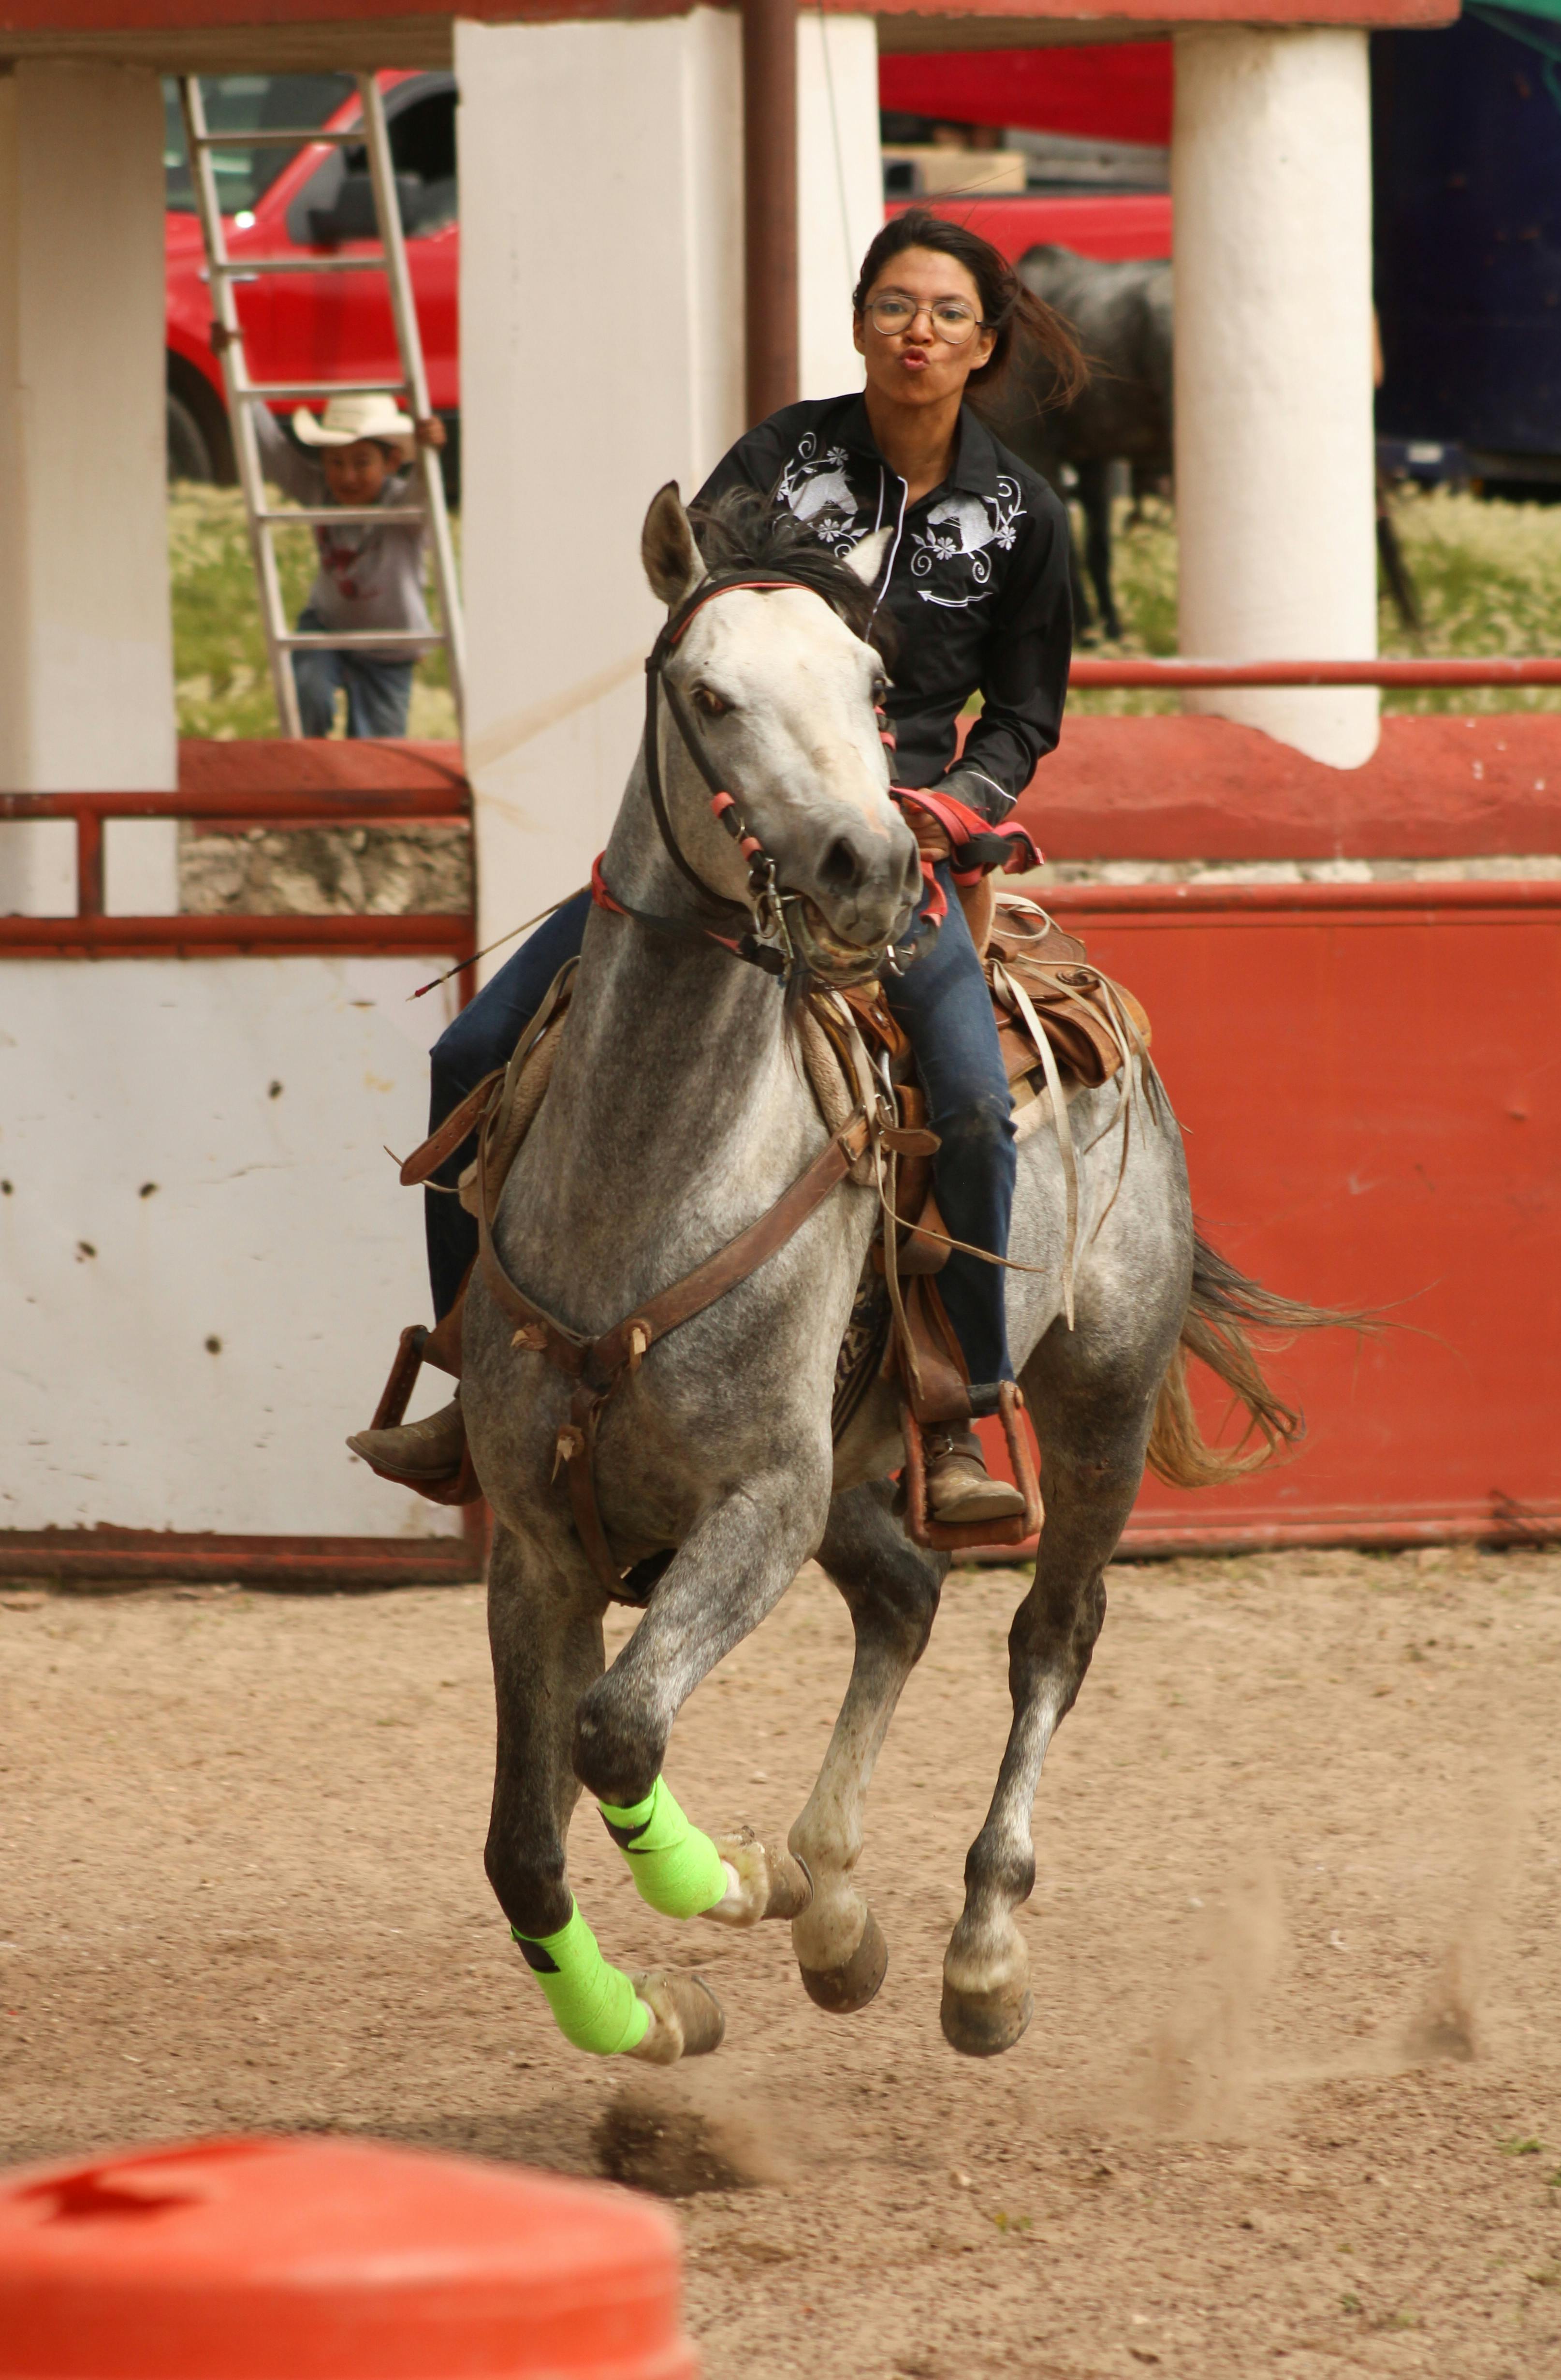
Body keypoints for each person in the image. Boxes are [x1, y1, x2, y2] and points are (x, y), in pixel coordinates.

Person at [352, 207, 1081, 1524]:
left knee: (971, 1106)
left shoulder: (1024, 514)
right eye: (895, 305)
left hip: (890, 851)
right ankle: (469, 1376)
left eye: (949, 315)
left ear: (985, 345)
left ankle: (961, 1413)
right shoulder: (780, 460)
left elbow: (1027, 715)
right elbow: (698, 616)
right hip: (733, 843)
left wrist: (948, 804)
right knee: (469, 1056)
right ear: (860, 320)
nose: (919, 332)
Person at [252, 393, 444, 738]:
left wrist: (429, 450)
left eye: (361, 462)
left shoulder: (405, 507)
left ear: (392, 461)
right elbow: (273, 452)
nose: (347, 476)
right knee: (307, 693)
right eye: (335, 462)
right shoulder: (319, 490)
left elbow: (425, 489)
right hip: (328, 626)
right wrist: (232, 371)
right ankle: (311, 765)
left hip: (390, 646)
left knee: (378, 753)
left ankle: (355, 785)